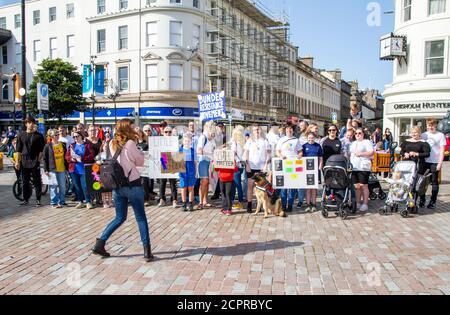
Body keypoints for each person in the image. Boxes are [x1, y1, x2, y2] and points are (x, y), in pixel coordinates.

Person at [92, 119, 154, 262]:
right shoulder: (131, 143)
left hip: (117, 187)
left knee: (119, 217)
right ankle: (147, 251)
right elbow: (140, 162)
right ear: (127, 128)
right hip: (132, 184)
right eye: (131, 126)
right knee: (140, 218)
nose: (134, 128)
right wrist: (138, 149)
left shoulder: (111, 142)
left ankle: (100, 243)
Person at [15, 117, 46, 207]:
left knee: (37, 182)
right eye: (29, 122)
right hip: (24, 161)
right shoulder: (21, 135)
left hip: (34, 160)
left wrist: (38, 159)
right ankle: (25, 199)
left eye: (32, 122)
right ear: (26, 124)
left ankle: (38, 200)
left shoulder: (39, 136)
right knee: (25, 182)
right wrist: (17, 161)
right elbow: (18, 150)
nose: (31, 124)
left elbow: (41, 150)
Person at [243, 124, 271, 213]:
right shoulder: (249, 141)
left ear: (261, 130)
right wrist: (247, 164)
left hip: (261, 168)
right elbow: (246, 153)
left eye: (258, 129)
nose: (257, 131)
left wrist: (266, 165)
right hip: (251, 167)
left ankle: (262, 206)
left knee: (261, 188)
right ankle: (249, 205)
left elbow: (268, 154)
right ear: (252, 131)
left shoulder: (265, 141)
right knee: (250, 187)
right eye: (255, 130)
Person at [276, 123, 303, 213]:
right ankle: (283, 205)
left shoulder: (296, 140)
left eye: (291, 129)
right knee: (284, 186)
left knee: (292, 186)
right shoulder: (281, 140)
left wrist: (299, 155)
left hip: (293, 166)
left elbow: (300, 152)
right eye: (287, 129)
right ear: (285, 130)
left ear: (293, 130)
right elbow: (277, 152)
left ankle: (290, 204)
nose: (289, 130)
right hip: (284, 166)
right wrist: (281, 156)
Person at [420, 119, 446, 209]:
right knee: (422, 182)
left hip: (435, 162)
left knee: (434, 182)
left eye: (432, 125)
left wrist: (440, 163)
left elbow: (442, 150)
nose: (430, 127)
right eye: (429, 125)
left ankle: (433, 201)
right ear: (426, 125)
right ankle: (422, 200)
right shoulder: (423, 135)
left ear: (436, 126)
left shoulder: (440, 135)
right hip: (424, 162)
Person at [66, 131, 95, 209]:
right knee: (77, 187)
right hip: (74, 169)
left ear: (81, 136)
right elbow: (67, 156)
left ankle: (88, 201)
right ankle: (80, 202)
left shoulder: (87, 145)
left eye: (77, 136)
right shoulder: (72, 146)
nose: (75, 138)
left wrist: (82, 159)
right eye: (74, 137)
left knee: (85, 186)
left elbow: (92, 156)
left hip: (83, 169)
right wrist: (71, 159)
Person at [400, 126, 431, 200]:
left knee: (415, 183)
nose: (414, 134)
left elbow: (427, 154)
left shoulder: (423, 143)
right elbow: (402, 151)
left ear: (419, 133)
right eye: (412, 132)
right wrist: (405, 154)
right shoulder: (406, 141)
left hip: (418, 165)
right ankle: (406, 198)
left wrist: (417, 154)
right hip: (407, 165)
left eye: (416, 132)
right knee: (406, 182)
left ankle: (413, 201)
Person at [350, 127, 374, 212]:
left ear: (363, 134)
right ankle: (358, 202)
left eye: (359, 133)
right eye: (356, 133)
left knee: (363, 185)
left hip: (363, 167)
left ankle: (365, 203)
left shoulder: (367, 142)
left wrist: (361, 154)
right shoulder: (353, 143)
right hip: (354, 167)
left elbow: (371, 152)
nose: (357, 135)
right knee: (356, 186)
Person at [43, 129, 67, 208]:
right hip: (52, 168)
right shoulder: (48, 146)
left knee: (62, 186)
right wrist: (45, 169)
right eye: (55, 135)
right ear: (51, 136)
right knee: (53, 186)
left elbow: (66, 156)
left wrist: (67, 167)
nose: (57, 136)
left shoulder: (63, 144)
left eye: (58, 134)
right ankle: (54, 202)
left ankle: (62, 201)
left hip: (62, 168)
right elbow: (45, 158)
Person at [197, 121, 216, 210]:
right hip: (203, 161)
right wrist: (209, 154)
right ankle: (200, 202)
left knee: (207, 182)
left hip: (210, 162)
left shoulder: (212, 139)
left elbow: (214, 150)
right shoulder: (203, 137)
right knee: (204, 181)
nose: (213, 134)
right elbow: (199, 150)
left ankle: (205, 201)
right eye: (212, 132)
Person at [302, 132, 323, 212]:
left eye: (312, 138)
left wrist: (320, 165)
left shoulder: (318, 146)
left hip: (315, 170)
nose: (311, 139)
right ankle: (308, 204)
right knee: (308, 188)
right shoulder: (304, 146)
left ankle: (313, 204)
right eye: (309, 138)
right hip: (307, 170)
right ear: (307, 138)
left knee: (314, 188)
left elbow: (321, 157)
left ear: (314, 138)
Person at [158, 126, 178, 208]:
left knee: (172, 182)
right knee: (162, 182)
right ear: (163, 133)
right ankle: (162, 199)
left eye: (169, 132)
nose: (168, 133)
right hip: (163, 159)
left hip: (172, 159)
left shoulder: (175, 141)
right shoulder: (159, 141)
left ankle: (174, 200)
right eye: (166, 132)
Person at [179, 134, 196, 212]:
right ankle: (183, 203)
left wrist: (196, 172)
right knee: (183, 188)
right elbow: (176, 162)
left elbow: (195, 162)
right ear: (183, 141)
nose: (187, 142)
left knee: (190, 188)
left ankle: (190, 203)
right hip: (182, 172)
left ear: (191, 142)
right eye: (185, 141)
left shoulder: (193, 150)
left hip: (191, 172)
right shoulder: (180, 150)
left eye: (188, 141)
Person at [230, 126, 246, 210]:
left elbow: (233, 153)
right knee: (238, 184)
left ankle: (238, 202)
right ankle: (238, 201)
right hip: (241, 165)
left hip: (235, 165)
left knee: (236, 184)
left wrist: (237, 160)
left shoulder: (235, 142)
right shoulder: (244, 141)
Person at [141, 125, 156, 205]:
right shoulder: (141, 141)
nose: (147, 132)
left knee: (151, 181)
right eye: (145, 130)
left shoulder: (154, 140)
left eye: (149, 130)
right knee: (144, 181)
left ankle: (150, 194)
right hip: (143, 164)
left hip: (152, 163)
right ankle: (145, 198)